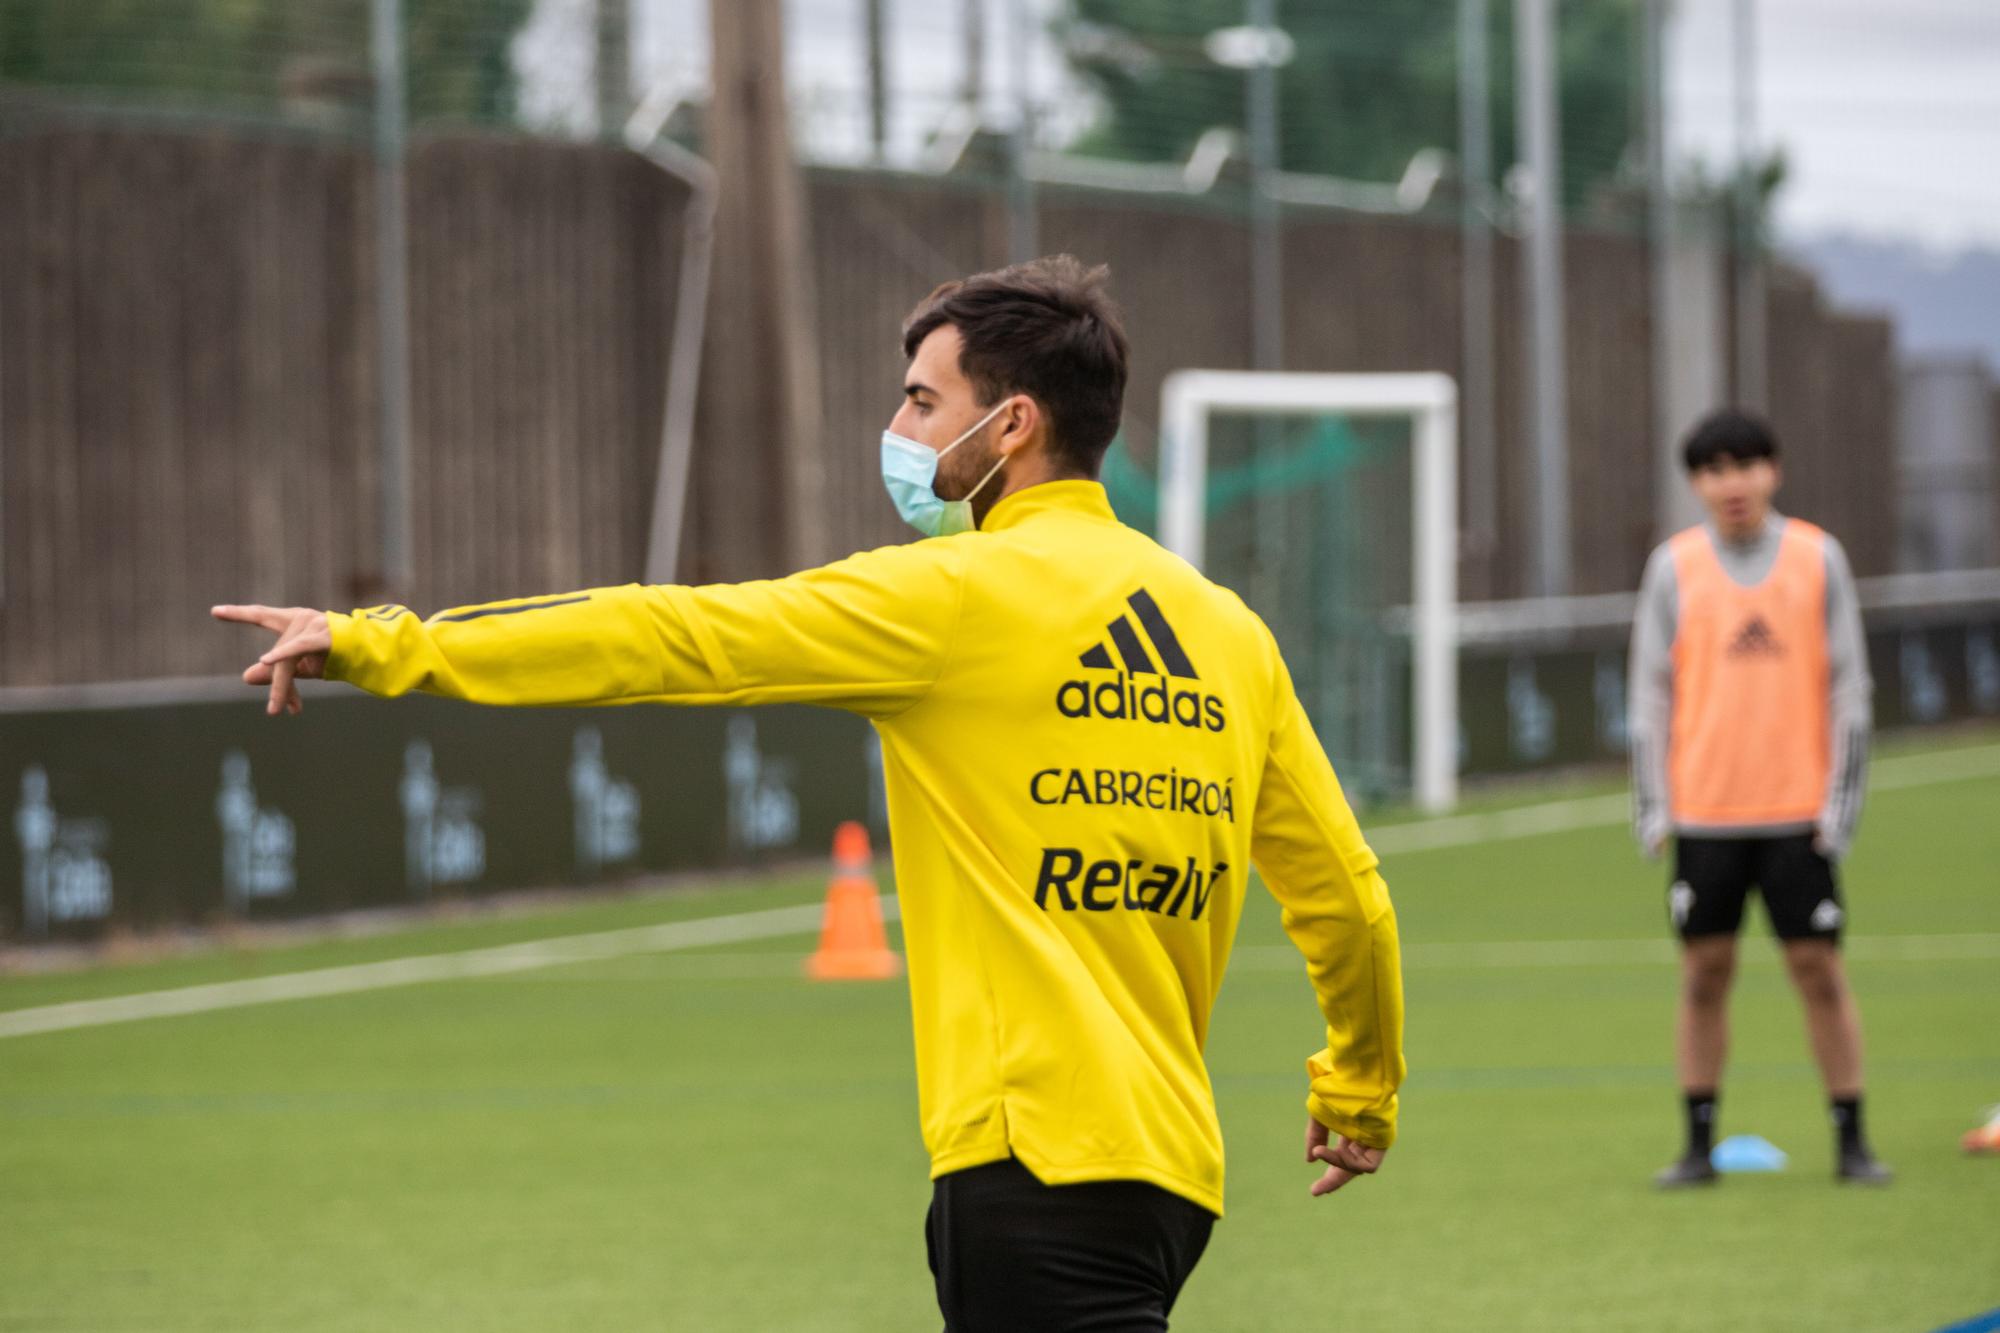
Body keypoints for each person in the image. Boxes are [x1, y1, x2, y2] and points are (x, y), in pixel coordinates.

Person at [213, 256, 1406, 1331]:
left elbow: (672, 633)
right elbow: (1346, 898)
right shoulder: (1226, 632)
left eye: (921, 401)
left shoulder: (953, 598)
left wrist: (388, 645)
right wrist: (1357, 1083)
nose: (893, 425)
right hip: (1167, 1182)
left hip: (1030, 1166)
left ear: (1013, 425)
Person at [1628, 408, 1889, 1187]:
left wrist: (1840, 808)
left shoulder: (1818, 558)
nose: (1730, 483)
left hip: (1797, 815)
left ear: (1773, 469)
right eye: (1712, 470)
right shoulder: (1674, 568)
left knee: (1819, 969)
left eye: (1744, 465)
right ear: (1695, 483)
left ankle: (1852, 1139)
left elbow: (1852, 687)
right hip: (1705, 815)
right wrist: (1655, 807)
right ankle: (1696, 1144)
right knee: (1704, 973)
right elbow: (1649, 695)